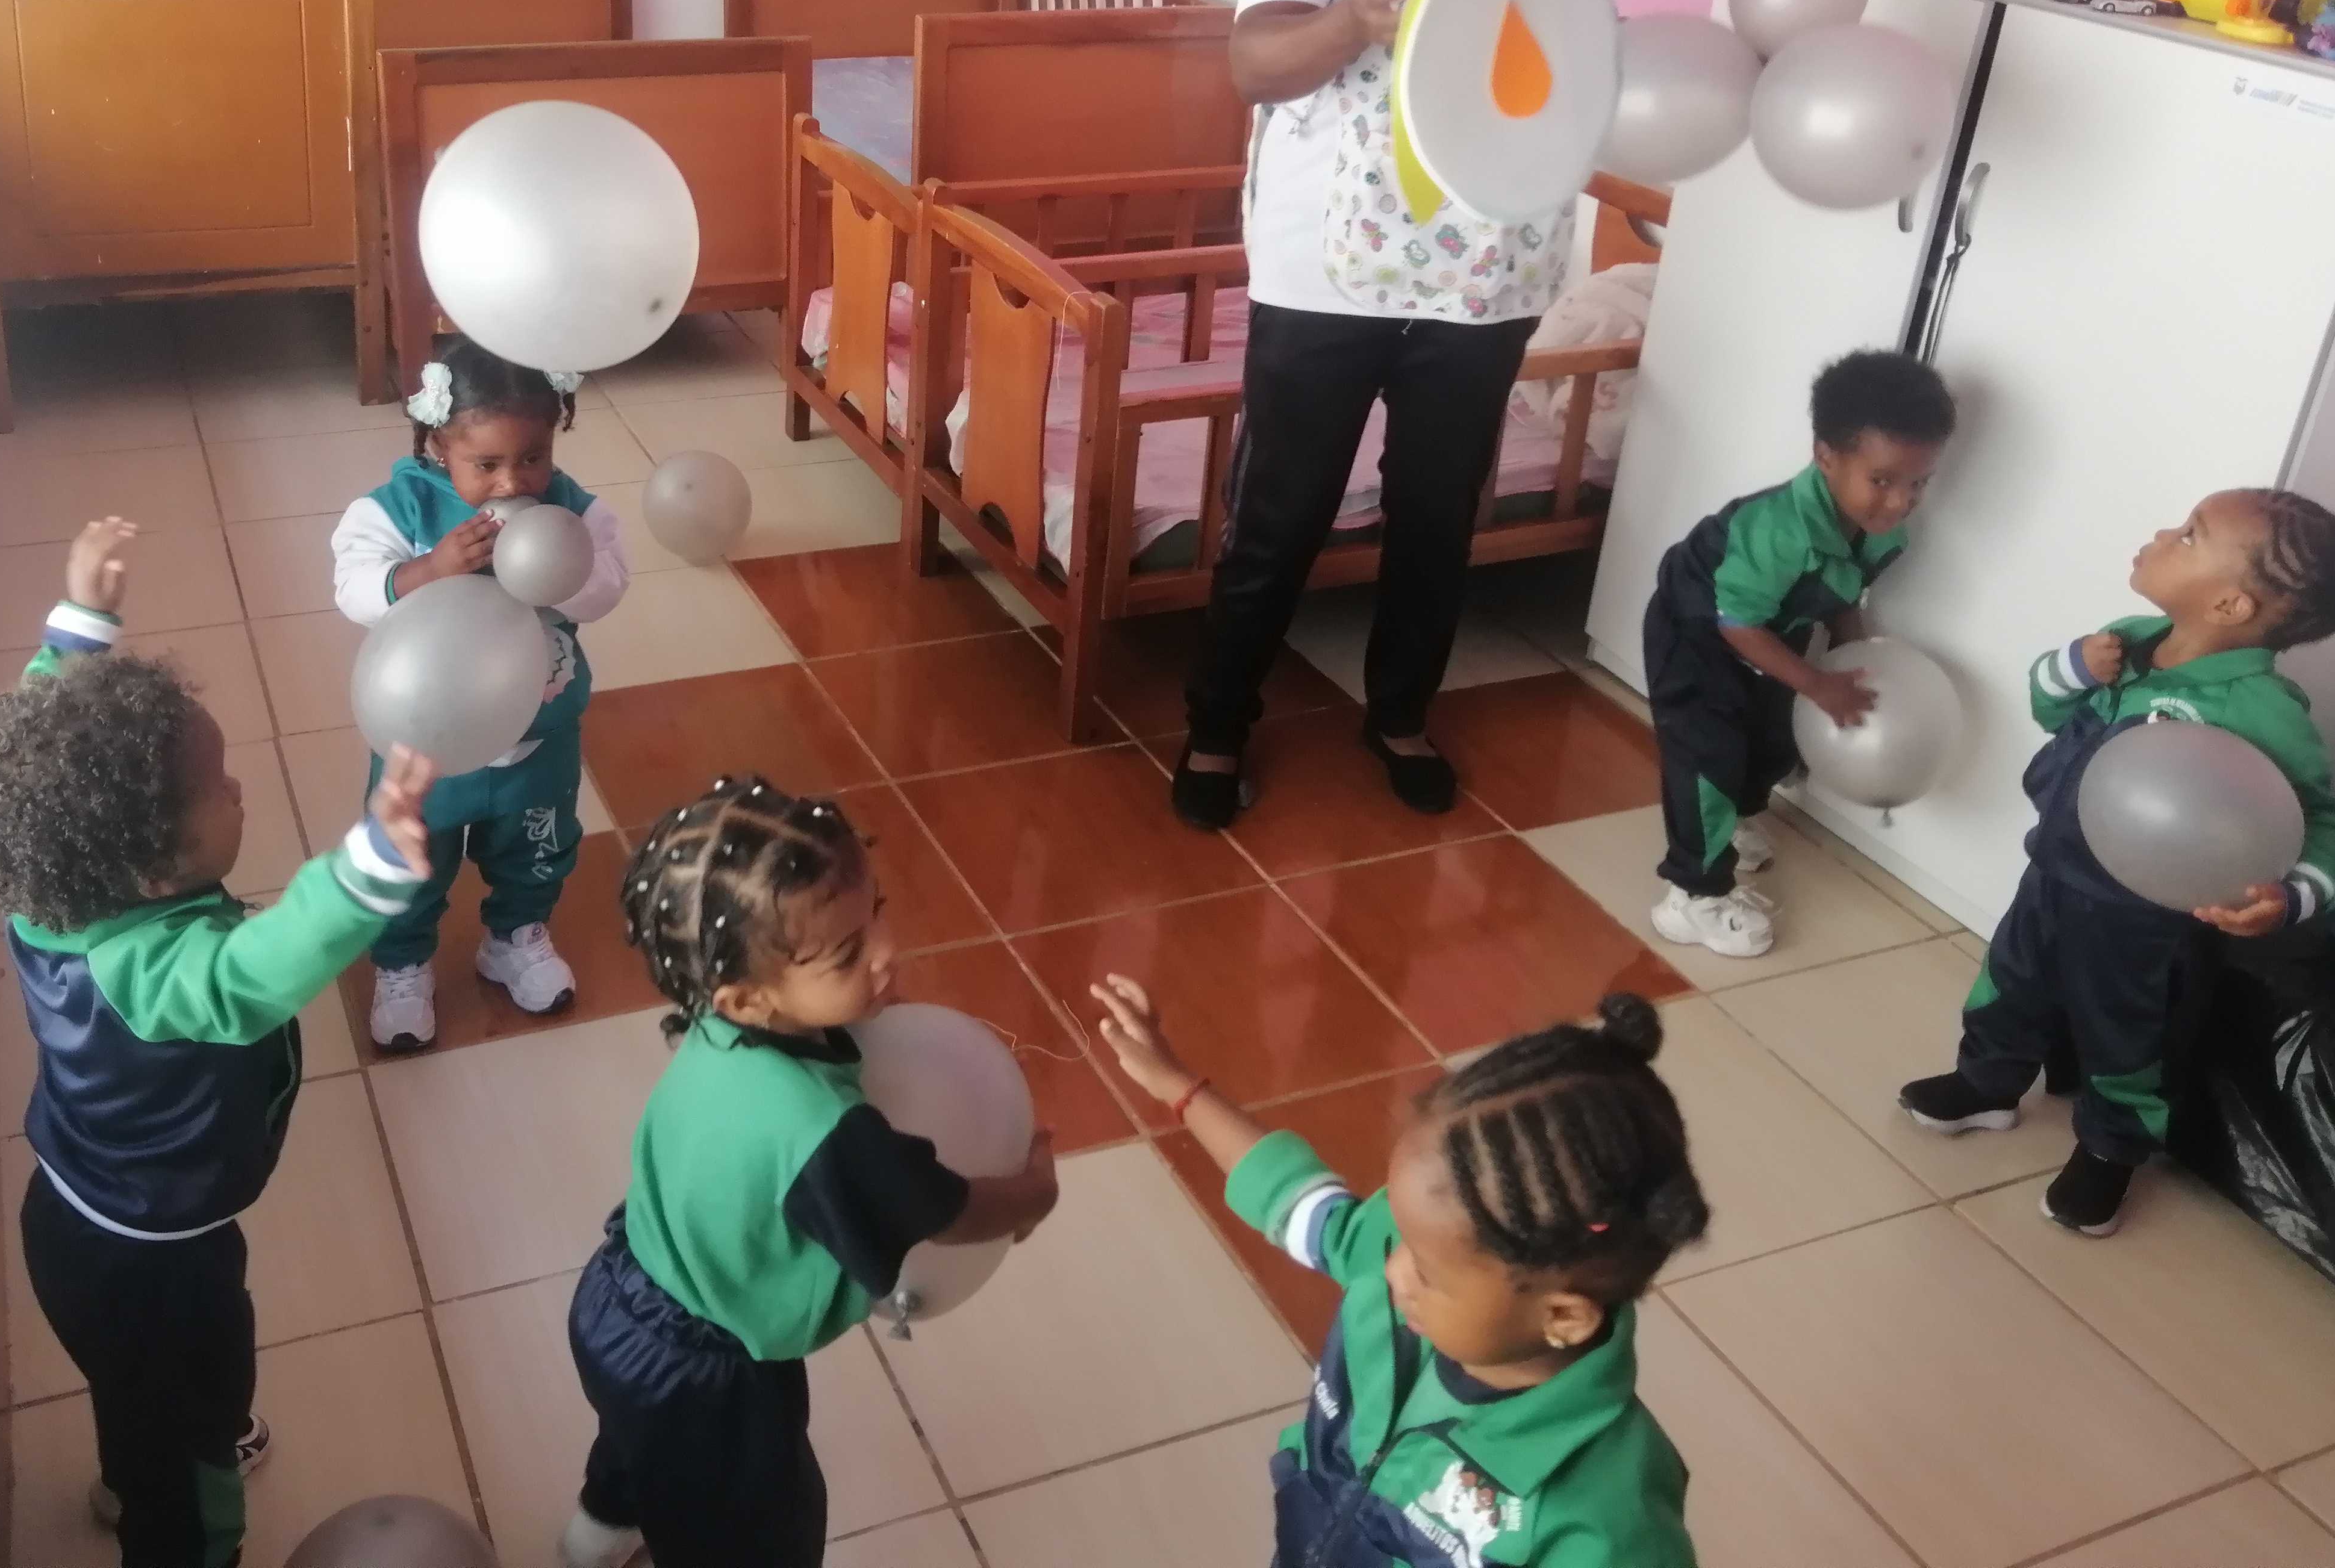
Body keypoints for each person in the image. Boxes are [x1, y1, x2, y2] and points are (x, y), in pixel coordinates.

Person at [0, 517, 437, 1568]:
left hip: (81, 1210)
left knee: (144, 1395)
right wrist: (361, 877)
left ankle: (145, 1460)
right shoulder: (153, 971)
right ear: (155, 867)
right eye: (220, 789)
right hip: (152, 1253)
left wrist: (79, 626)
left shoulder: (48, 887)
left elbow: (40, 739)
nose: (239, 790)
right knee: (186, 1448)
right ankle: (179, 1520)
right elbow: (252, 973)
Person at [1176, 0, 1573, 833]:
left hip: (1486, 262)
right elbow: (1253, 64)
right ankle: (1215, 725)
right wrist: (1353, 17)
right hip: (1334, 262)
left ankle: (1399, 711)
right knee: (1281, 512)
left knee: (1439, 512)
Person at [560, 777, 1062, 1568]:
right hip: (711, 1370)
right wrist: (1032, 1195)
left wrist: (852, 985)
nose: (888, 951)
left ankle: (597, 1531)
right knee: (752, 1532)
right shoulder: (823, 1133)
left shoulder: (715, 1022)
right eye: (848, 953)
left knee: (643, 1440)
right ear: (748, 998)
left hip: (616, 1297)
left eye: (877, 913)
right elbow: (947, 1210)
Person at [1093, 976, 1706, 1567]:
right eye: (1401, 1237)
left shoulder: (1605, 1516)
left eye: (1427, 1271)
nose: (1390, 1268)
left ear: (1563, 1317)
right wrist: (1178, 1086)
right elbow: (1296, 1197)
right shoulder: (1416, 1260)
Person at [1901, 489, 2335, 1237]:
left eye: (2189, 536)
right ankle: (1988, 1083)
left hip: (2147, 923)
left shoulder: (2264, 712)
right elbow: (2049, 709)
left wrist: (2289, 897)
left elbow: (2322, 821)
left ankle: (2110, 1150)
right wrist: (2073, 668)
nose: (2163, 533)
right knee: (2008, 984)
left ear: (2232, 606)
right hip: (2054, 872)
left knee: (2131, 1039)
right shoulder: (2129, 640)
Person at [334, 338, 629, 1048]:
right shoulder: (400, 508)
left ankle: (516, 936)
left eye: (532, 457)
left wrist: (561, 568)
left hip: (539, 735)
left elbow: (609, 585)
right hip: (426, 745)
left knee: (538, 845)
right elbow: (353, 588)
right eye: (486, 464)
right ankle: (403, 964)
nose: (511, 483)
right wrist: (429, 570)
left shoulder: (568, 509)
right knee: (412, 856)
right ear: (440, 445)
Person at [1641, 350, 1955, 960]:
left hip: (1771, 632)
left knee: (1775, 737)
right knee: (1709, 758)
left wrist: (1851, 650)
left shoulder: (1884, 531)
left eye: (1918, 483)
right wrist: (1818, 683)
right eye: (1882, 481)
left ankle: (1738, 819)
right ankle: (1693, 893)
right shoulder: (1777, 531)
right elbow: (1737, 623)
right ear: (1826, 456)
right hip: (1700, 635)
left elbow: (1842, 591)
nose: (1900, 502)